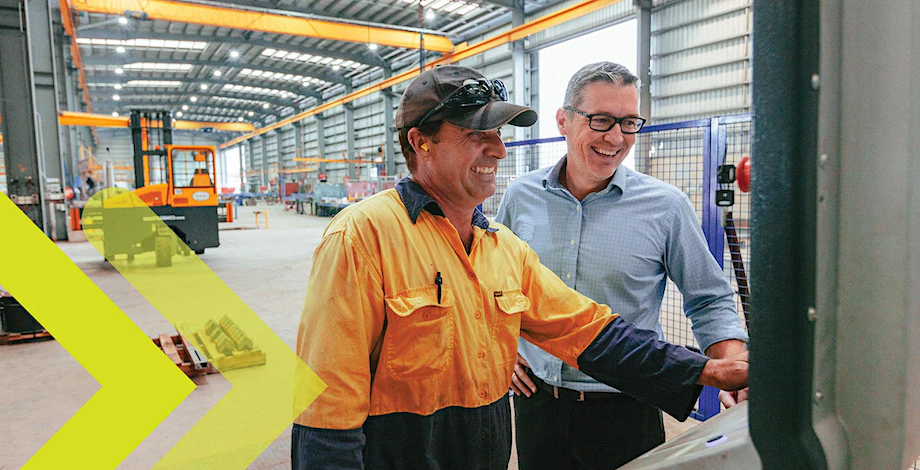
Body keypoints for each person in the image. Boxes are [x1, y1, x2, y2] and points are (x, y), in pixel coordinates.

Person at [290, 65, 749, 470]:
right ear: (420, 141)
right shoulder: (364, 236)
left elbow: (588, 331)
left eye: (499, 134)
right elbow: (326, 408)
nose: (498, 151)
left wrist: (708, 371)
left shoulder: (500, 245)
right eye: (477, 135)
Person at [496, 61, 750, 470]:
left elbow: (709, 299)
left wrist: (733, 365)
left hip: (627, 407)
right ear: (564, 120)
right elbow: (498, 286)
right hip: (538, 403)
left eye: (629, 122)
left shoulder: (666, 207)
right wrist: (503, 350)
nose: (616, 138)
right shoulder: (521, 196)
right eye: (601, 120)